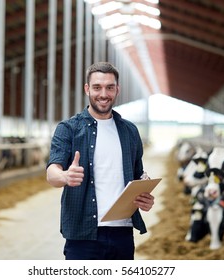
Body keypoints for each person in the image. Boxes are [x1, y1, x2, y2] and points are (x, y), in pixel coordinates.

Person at [46, 61, 154, 260]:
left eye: (109, 87)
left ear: (117, 90)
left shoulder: (130, 131)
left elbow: (139, 175)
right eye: (97, 87)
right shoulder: (68, 128)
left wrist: (145, 197)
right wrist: (65, 176)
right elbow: (52, 172)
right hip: (82, 235)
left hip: (122, 233)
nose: (103, 94)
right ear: (87, 89)